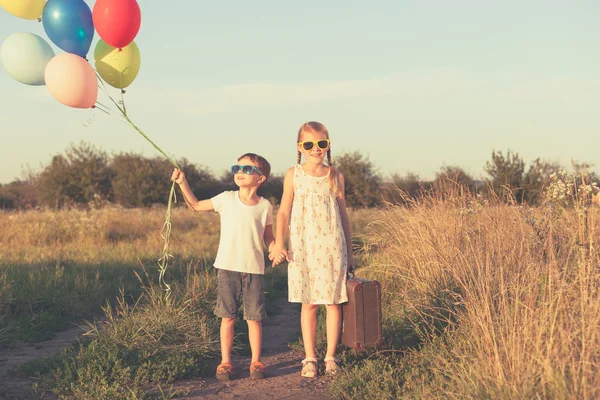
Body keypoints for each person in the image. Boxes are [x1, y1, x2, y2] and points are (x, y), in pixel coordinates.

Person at [172, 153, 274, 381]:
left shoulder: (265, 206)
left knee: (253, 318)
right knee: (227, 317)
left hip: (254, 269)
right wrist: (183, 183)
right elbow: (196, 206)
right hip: (227, 268)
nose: (240, 172)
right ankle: (225, 363)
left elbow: (268, 237)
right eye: (238, 167)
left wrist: (277, 248)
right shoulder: (226, 198)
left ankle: (256, 362)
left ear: (261, 178)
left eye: (248, 169)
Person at [270, 121, 354, 378]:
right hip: (303, 244)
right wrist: (280, 242)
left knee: (332, 301)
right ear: (300, 147)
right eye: (309, 144)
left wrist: (350, 252)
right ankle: (310, 357)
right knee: (308, 302)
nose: (316, 149)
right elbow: (283, 210)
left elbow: (343, 214)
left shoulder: (335, 175)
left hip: (332, 245)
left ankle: (330, 357)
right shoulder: (292, 174)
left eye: (321, 144)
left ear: (328, 145)